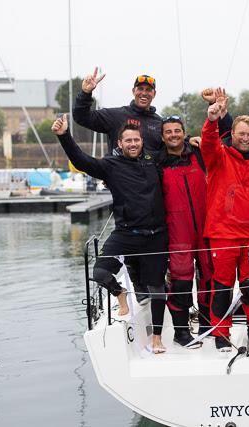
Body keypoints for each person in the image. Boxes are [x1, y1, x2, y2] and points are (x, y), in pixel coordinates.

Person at [51, 115, 169, 354]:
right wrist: (64, 135)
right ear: (120, 143)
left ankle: (157, 337)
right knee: (100, 273)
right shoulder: (110, 166)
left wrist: (195, 140)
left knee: (157, 289)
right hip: (126, 234)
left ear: (141, 142)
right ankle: (120, 293)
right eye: (128, 140)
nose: (133, 144)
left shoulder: (154, 160)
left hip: (156, 235)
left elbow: (178, 149)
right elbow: (81, 161)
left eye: (136, 140)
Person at [200, 94, 249, 351]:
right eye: (241, 133)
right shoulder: (218, 156)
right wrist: (211, 120)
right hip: (223, 234)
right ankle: (221, 333)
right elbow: (208, 142)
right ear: (233, 134)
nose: (246, 138)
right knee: (223, 286)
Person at [158, 115, 213, 348]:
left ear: (184, 132)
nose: (173, 135)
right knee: (180, 283)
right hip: (177, 232)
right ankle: (181, 333)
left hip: (205, 228)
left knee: (209, 279)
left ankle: (208, 326)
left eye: (177, 131)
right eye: (168, 132)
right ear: (162, 137)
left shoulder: (199, 154)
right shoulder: (158, 164)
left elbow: (224, 139)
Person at [73, 68, 163, 155]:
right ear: (133, 91)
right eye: (140, 89)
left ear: (154, 94)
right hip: (119, 170)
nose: (144, 93)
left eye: (148, 90)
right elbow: (81, 117)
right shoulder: (116, 116)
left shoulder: (160, 123)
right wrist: (85, 93)